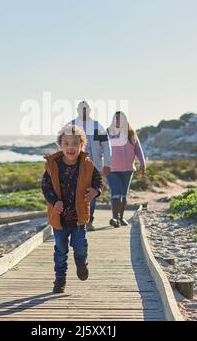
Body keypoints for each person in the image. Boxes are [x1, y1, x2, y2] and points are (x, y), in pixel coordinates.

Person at [42, 124, 103, 294]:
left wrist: (95, 191)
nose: (71, 147)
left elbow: (98, 181)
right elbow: (46, 187)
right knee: (60, 250)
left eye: (75, 144)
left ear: (81, 145)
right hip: (59, 217)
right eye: (66, 143)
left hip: (79, 216)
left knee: (80, 246)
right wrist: (54, 201)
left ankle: (81, 262)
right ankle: (60, 279)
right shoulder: (52, 165)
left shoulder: (87, 165)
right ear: (60, 145)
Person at [70, 101, 111, 231]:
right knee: (75, 193)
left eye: (86, 109)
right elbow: (62, 145)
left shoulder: (97, 126)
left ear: (90, 110)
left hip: (95, 167)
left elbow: (106, 146)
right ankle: (76, 219)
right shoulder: (71, 126)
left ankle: (88, 221)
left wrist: (108, 164)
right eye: (81, 109)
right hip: (74, 167)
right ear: (77, 110)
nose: (83, 111)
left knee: (92, 194)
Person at [107, 111, 146, 228]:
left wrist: (142, 164)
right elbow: (102, 148)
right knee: (116, 193)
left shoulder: (131, 134)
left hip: (128, 169)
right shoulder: (108, 133)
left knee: (123, 195)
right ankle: (115, 218)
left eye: (121, 119)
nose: (119, 121)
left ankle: (121, 217)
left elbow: (138, 150)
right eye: (117, 119)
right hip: (112, 169)